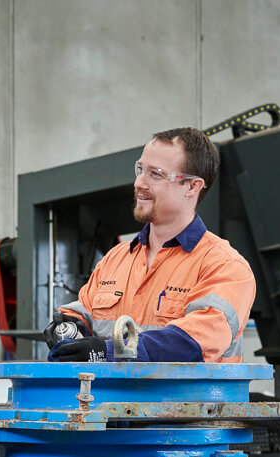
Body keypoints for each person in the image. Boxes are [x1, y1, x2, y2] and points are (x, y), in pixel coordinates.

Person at [44, 127, 255, 363]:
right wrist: (70, 324)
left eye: (156, 174)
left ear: (192, 187)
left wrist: (112, 350)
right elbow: (84, 310)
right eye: (140, 169)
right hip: (111, 401)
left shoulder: (225, 267)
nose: (139, 183)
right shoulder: (116, 259)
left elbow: (193, 341)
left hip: (189, 401)